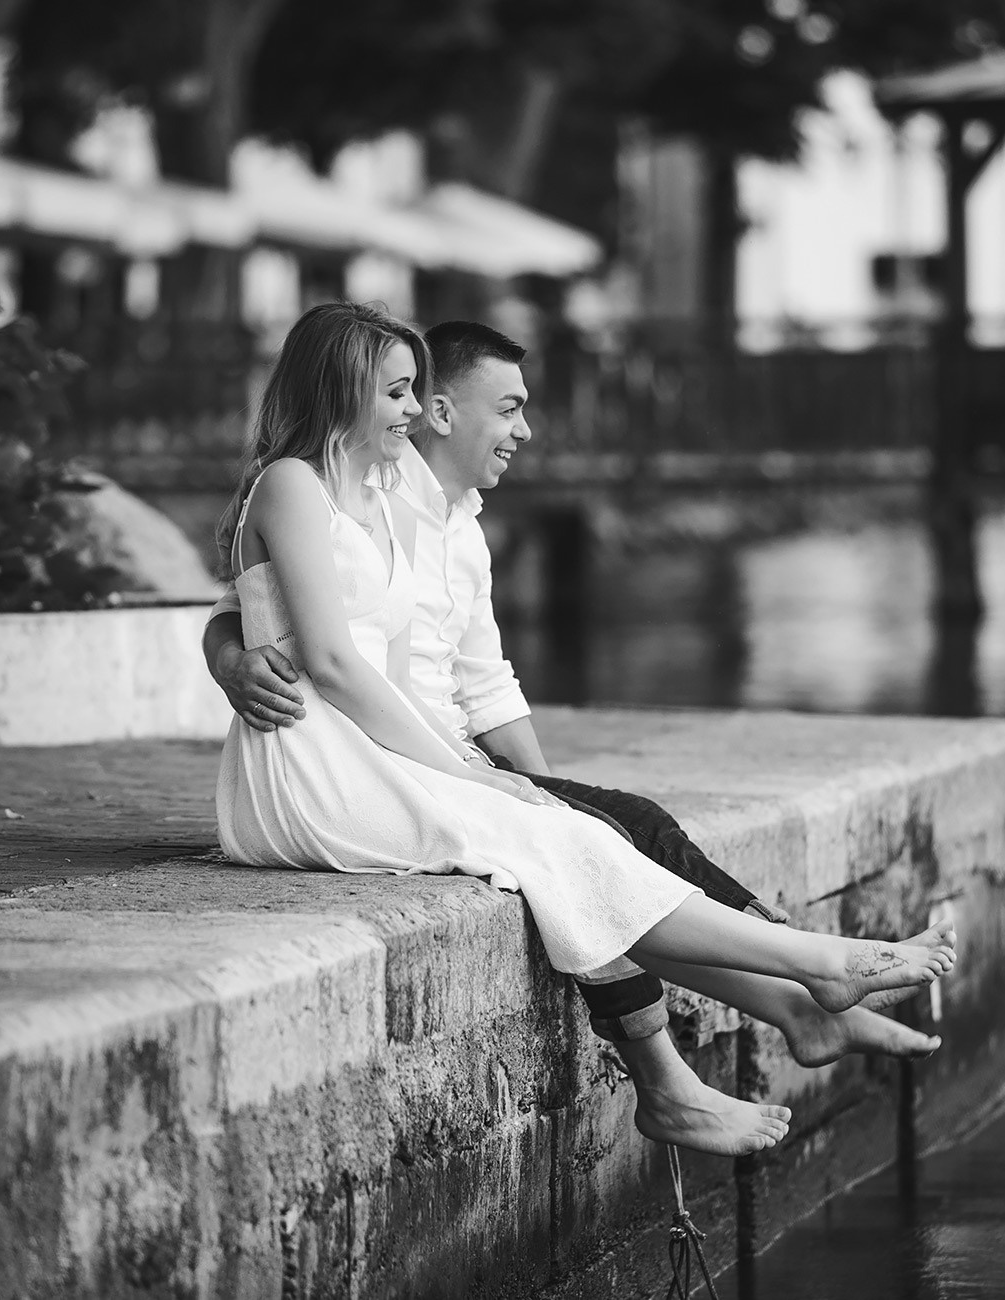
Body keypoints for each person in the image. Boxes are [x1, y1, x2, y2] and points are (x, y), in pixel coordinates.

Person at [208, 303, 956, 1156]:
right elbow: (319, 655)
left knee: (583, 837)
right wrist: (469, 774)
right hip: (317, 763)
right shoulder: (299, 484)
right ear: (344, 389)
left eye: (415, 391)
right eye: (398, 392)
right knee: (571, 840)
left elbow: (420, 663)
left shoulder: (378, 493)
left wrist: (495, 776)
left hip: (377, 748)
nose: (412, 412)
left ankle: (801, 982)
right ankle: (806, 975)